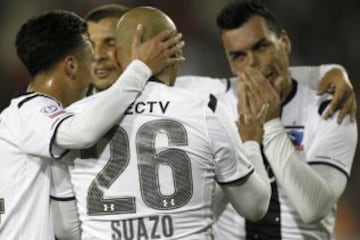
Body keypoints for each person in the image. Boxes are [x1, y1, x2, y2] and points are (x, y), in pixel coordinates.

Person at [52, 6, 274, 239]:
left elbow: (65, 229)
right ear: (177, 51)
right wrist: (250, 144)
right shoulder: (204, 108)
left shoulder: (71, 120)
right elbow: (255, 207)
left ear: (118, 57)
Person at [0, 9, 185, 239]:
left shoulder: (44, 126)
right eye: (90, 54)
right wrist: (140, 68)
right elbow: (81, 132)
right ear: (71, 66)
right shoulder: (28, 111)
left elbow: (66, 226)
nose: (97, 61)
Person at [210, 1, 357, 239]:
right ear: (230, 63)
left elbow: (314, 208)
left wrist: (270, 125)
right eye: (239, 56)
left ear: (285, 43)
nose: (252, 64)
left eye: (261, 47)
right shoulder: (216, 104)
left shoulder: (329, 107)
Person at [84, 4, 129, 94]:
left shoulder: (162, 101)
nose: (97, 56)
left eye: (110, 43)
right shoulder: (66, 105)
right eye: (89, 45)